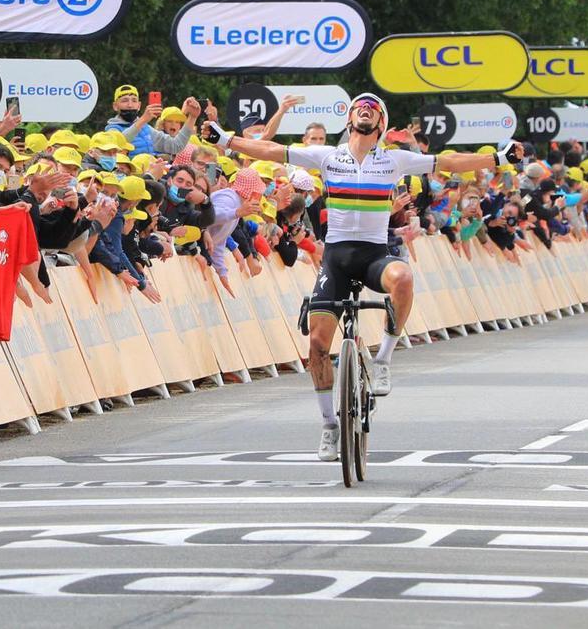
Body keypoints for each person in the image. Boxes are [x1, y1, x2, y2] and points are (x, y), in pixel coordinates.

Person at [208, 92, 522, 461]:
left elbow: (450, 161)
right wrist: (225, 139)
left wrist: (498, 159)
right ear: (349, 120)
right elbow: (271, 152)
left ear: (382, 124)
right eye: (359, 107)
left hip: (375, 254)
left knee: (403, 278)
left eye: (373, 109)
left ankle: (385, 359)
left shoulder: (394, 159)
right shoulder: (327, 156)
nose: (365, 111)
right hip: (337, 259)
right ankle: (328, 426)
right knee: (317, 347)